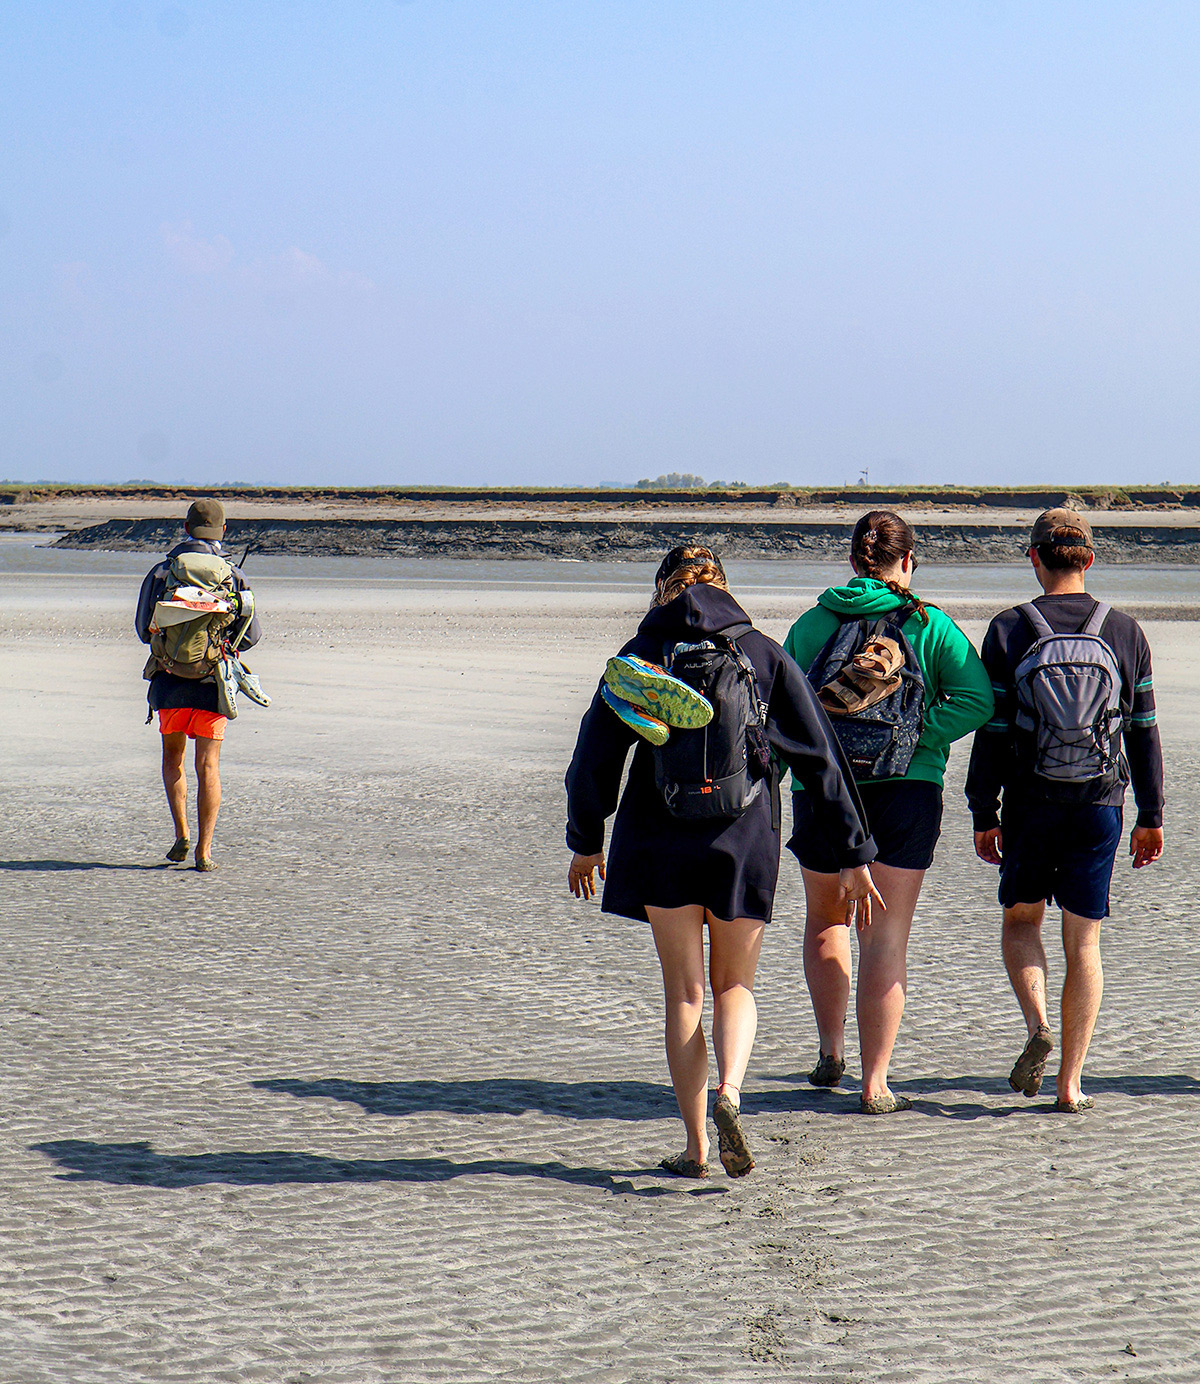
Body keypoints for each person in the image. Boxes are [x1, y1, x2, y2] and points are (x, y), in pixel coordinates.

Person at [565, 545, 881, 1179]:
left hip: (659, 839)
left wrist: (585, 839)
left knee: (683, 995)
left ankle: (695, 1147)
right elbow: (820, 756)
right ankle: (731, 1095)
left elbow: (593, 756)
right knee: (735, 986)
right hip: (744, 836)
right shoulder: (760, 653)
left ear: (661, 589)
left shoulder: (638, 658)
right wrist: (853, 853)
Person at [783, 511, 993, 1113]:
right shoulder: (929, 622)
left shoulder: (812, 622)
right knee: (886, 935)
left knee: (826, 921)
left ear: (853, 563)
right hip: (907, 789)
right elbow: (978, 700)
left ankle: (830, 1052)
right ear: (908, 561)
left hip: (824, 791)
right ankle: (875, 1084)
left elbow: (785, 711)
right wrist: (920, 736)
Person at [966, 509, 1164, 1113]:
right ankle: (1071, 1083)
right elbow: (1144, 732)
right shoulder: (1125, 631)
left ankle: (1036, 1027)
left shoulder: (1009, 628)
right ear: (1090, 560)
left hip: (1030, 802)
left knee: (1022, 921)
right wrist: (1150, 814)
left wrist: (983, 810)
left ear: (1034, 558)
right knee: (1085, 941)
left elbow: (993, 733)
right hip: (1100, 802)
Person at [134, 498, 261, 872]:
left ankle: (181, 835)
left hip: (170, 681)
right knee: (208, 766)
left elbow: (144, 630)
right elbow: (251, 635)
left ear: (186, 530)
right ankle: (205, 852)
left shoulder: (162, 572)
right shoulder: (233, 575)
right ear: (222, 532)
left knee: (173, 760)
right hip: (212, 683)